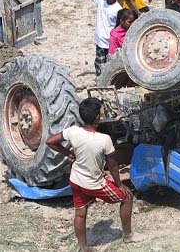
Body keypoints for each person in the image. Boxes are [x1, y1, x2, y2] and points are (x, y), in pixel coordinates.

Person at [46, 98, 145, 251]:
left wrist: (68, 153)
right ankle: (128, 235)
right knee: (127, 197)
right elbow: (112, 164)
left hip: (76, 180)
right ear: (98, 117)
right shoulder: (104, 139)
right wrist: (119, 184)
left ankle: (84, 248)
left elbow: (51, 141)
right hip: (93, 184)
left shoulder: (73, 131)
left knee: (80, 213)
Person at [70, 0, 122, 76]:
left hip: (111, 44)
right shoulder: (100, 0)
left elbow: (120, 27)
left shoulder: (118, 9)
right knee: (100, 67)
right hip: (100, 42)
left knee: (112, 68)